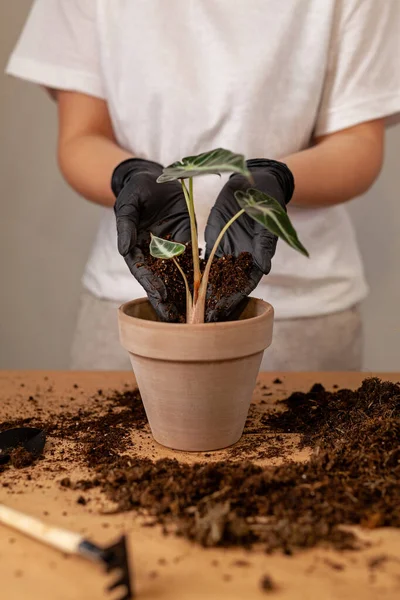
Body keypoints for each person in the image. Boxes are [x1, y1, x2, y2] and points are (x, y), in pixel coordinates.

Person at [7, 0, 400, 371]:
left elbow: (359, 145)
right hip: (135, 296)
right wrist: (131, 174)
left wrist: (275, 177)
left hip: (300, 308)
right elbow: (80, 136)